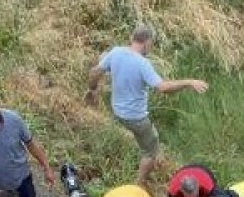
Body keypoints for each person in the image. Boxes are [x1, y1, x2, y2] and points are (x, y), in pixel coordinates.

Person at [86, 24, 209, 186]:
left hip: (117, 110)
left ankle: (143, 162)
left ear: (132, 38)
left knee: (146, 135)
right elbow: (163, 88)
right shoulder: (143, 64)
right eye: (151, 44)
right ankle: (139, 184)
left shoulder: (115, 52)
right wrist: (189, 82)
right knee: (151, 151)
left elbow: (95, 71)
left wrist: (92, 90)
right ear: (146, 42)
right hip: (135, 117)